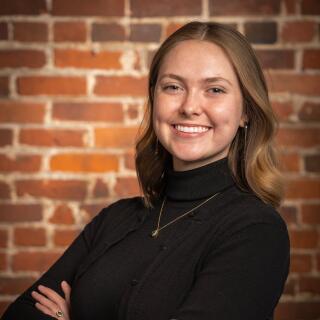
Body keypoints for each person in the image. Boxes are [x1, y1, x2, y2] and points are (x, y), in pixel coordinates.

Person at [2, 21, 290, 320]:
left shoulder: (255, 231)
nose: (190, 106)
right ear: (154, 99)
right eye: (173, 87)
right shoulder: (115, 220)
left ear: (245, 111)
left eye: (215, 89)